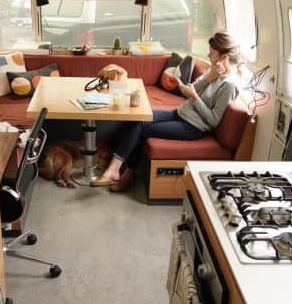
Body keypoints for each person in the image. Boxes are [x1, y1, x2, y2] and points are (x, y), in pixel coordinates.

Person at [91, 32, 241, 191]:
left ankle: (121, 172)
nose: (209, 56)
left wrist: (195, 97)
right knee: (137, 118)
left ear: (223, 57)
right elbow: (190, 90)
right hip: (179, 114)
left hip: (192, 127)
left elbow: (213, 120)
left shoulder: (229, 85)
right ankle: (118, 171)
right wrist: (209, 77)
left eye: (212, 53)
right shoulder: (214, 73)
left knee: (141, 130)